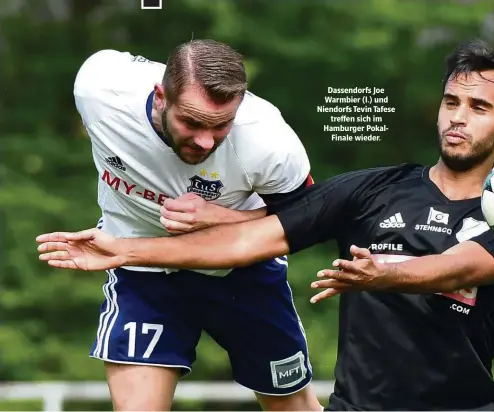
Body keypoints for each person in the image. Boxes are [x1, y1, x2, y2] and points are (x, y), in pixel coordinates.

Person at [39, 40, 494, 410]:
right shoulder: (369, 191)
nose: (458, 117)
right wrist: (126, 251)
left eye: (479, 107)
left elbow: (458, 268)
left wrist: (385, 275)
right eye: (451, 102)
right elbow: (251, 239)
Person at [64, 39, 321, 411]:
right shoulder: (100, 89)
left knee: (294, 408)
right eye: (192, 122)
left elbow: (308, 219)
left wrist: (223, 218)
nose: (204, 140)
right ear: (161, 95)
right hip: (142, 267)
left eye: (221, 126)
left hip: (242, 271)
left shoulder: (268, 141)